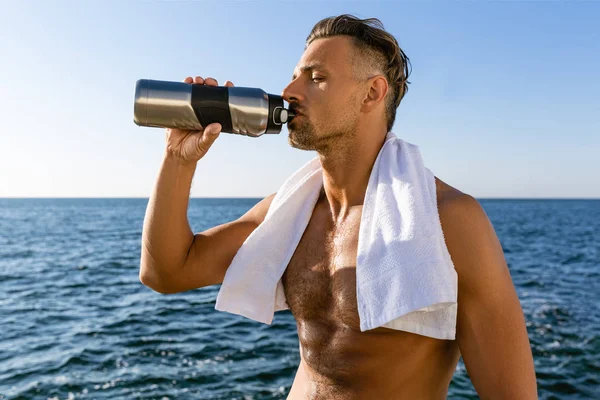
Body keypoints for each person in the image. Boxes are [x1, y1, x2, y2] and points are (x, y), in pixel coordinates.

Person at [139, 14, 537, 400]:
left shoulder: (448, 219)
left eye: (316, 78)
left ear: (372, 93)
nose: (290, 91)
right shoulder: (289, 212)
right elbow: (166, 272)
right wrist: (179, 159)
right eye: (295, 75)